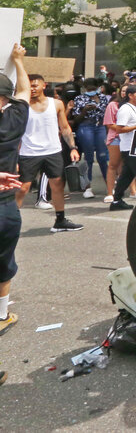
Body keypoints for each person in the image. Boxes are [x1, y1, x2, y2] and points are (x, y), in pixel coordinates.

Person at [14, 73, 83, 232]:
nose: (32, 89)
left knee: (57, 185)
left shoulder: (57, 104)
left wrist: (73, 148)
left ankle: (60, 221)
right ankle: (9, 221)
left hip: (53, 151)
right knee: (23, 188)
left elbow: (65, 128)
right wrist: (14, 156)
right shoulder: (22, 106)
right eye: (29, 85)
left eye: (35, 85)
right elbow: (16, 132)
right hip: (28, 152)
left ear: (44, 85)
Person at [1, 44, 30, 337]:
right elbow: (23, 92)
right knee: (4, 261)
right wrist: (18, 61)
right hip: (4, 204)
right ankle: (2, 314)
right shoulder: (14, 119)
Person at [107, 85, 136, 211]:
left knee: (126, 176)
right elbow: (119, 129)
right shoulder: (124, 109)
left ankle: (116, 200)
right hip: (130, 147)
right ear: (130, 95)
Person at [68, 77, 111, 199]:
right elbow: (76, 120)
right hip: (86, 126)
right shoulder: (80, 98)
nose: (91, 90)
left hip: (100, 126)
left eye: (93, 88)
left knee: (103, 156)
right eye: (89, 88)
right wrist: (84, 111)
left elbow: (107, 115)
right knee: (88, 157)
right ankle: (88, 186)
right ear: (84, 88)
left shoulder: (103, 98)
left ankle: (110, 185)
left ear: (98, 88)